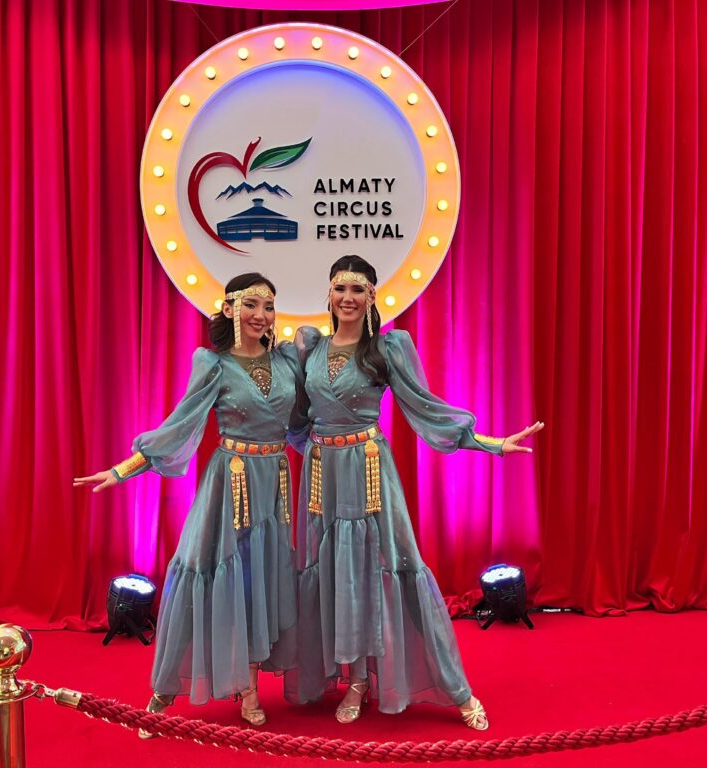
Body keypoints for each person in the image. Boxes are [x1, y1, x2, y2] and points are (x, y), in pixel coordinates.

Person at [286, 255, 543, 730]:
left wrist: (489, 443)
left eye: (358, 290)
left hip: (368, 472)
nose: (347, 298)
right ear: (329, 293)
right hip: (321, 478)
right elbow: (295, 417)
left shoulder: (386, 350)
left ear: (371, 298)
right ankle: (355, 679)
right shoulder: (309, 348)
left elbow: (426, 408)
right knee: (335, 573)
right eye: (340, 288)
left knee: (390, 568)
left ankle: (452, 687)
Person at [74, 273, 303, 732]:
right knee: (209, 574)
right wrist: (124, 468)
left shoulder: (287, 362)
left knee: (258, 584)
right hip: (230, 485)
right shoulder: (213, 364)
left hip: (276, 488)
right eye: (251, 304)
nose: (261, 315)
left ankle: (250, 689)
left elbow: (308, 421)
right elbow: (179, 425)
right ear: (229, 309)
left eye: (269, 306)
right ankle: (164, 689)